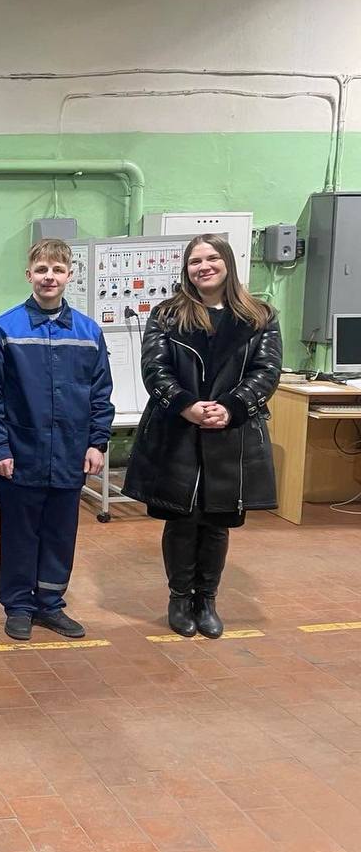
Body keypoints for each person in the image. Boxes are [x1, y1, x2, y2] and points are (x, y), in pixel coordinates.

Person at [123, 234, 280, 638]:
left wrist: (230, 407)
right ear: (186, 269)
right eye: (195, 261)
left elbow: (267, 372)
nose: (204, 267)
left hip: (231, 434)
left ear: (227, 263)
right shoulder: (167, 315)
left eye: (211, 258)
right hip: (178, 432)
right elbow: (154, 369)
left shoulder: (260, 316)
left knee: (216, 521)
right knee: (181, 519)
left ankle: (206, 600)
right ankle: (179, 598)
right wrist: (187, 405)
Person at [0, 238, 113, 641]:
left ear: (70, 275)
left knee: (59, 534)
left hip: (70, 454)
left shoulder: (88, 333)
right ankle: (18, 606)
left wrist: (97, 442)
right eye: (41, 269)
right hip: (19, 456)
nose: (49, 277)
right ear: (28, 275)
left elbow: (100, 392)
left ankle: (50, 604)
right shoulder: (4, 330)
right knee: (20, 534)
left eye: (57, 270)